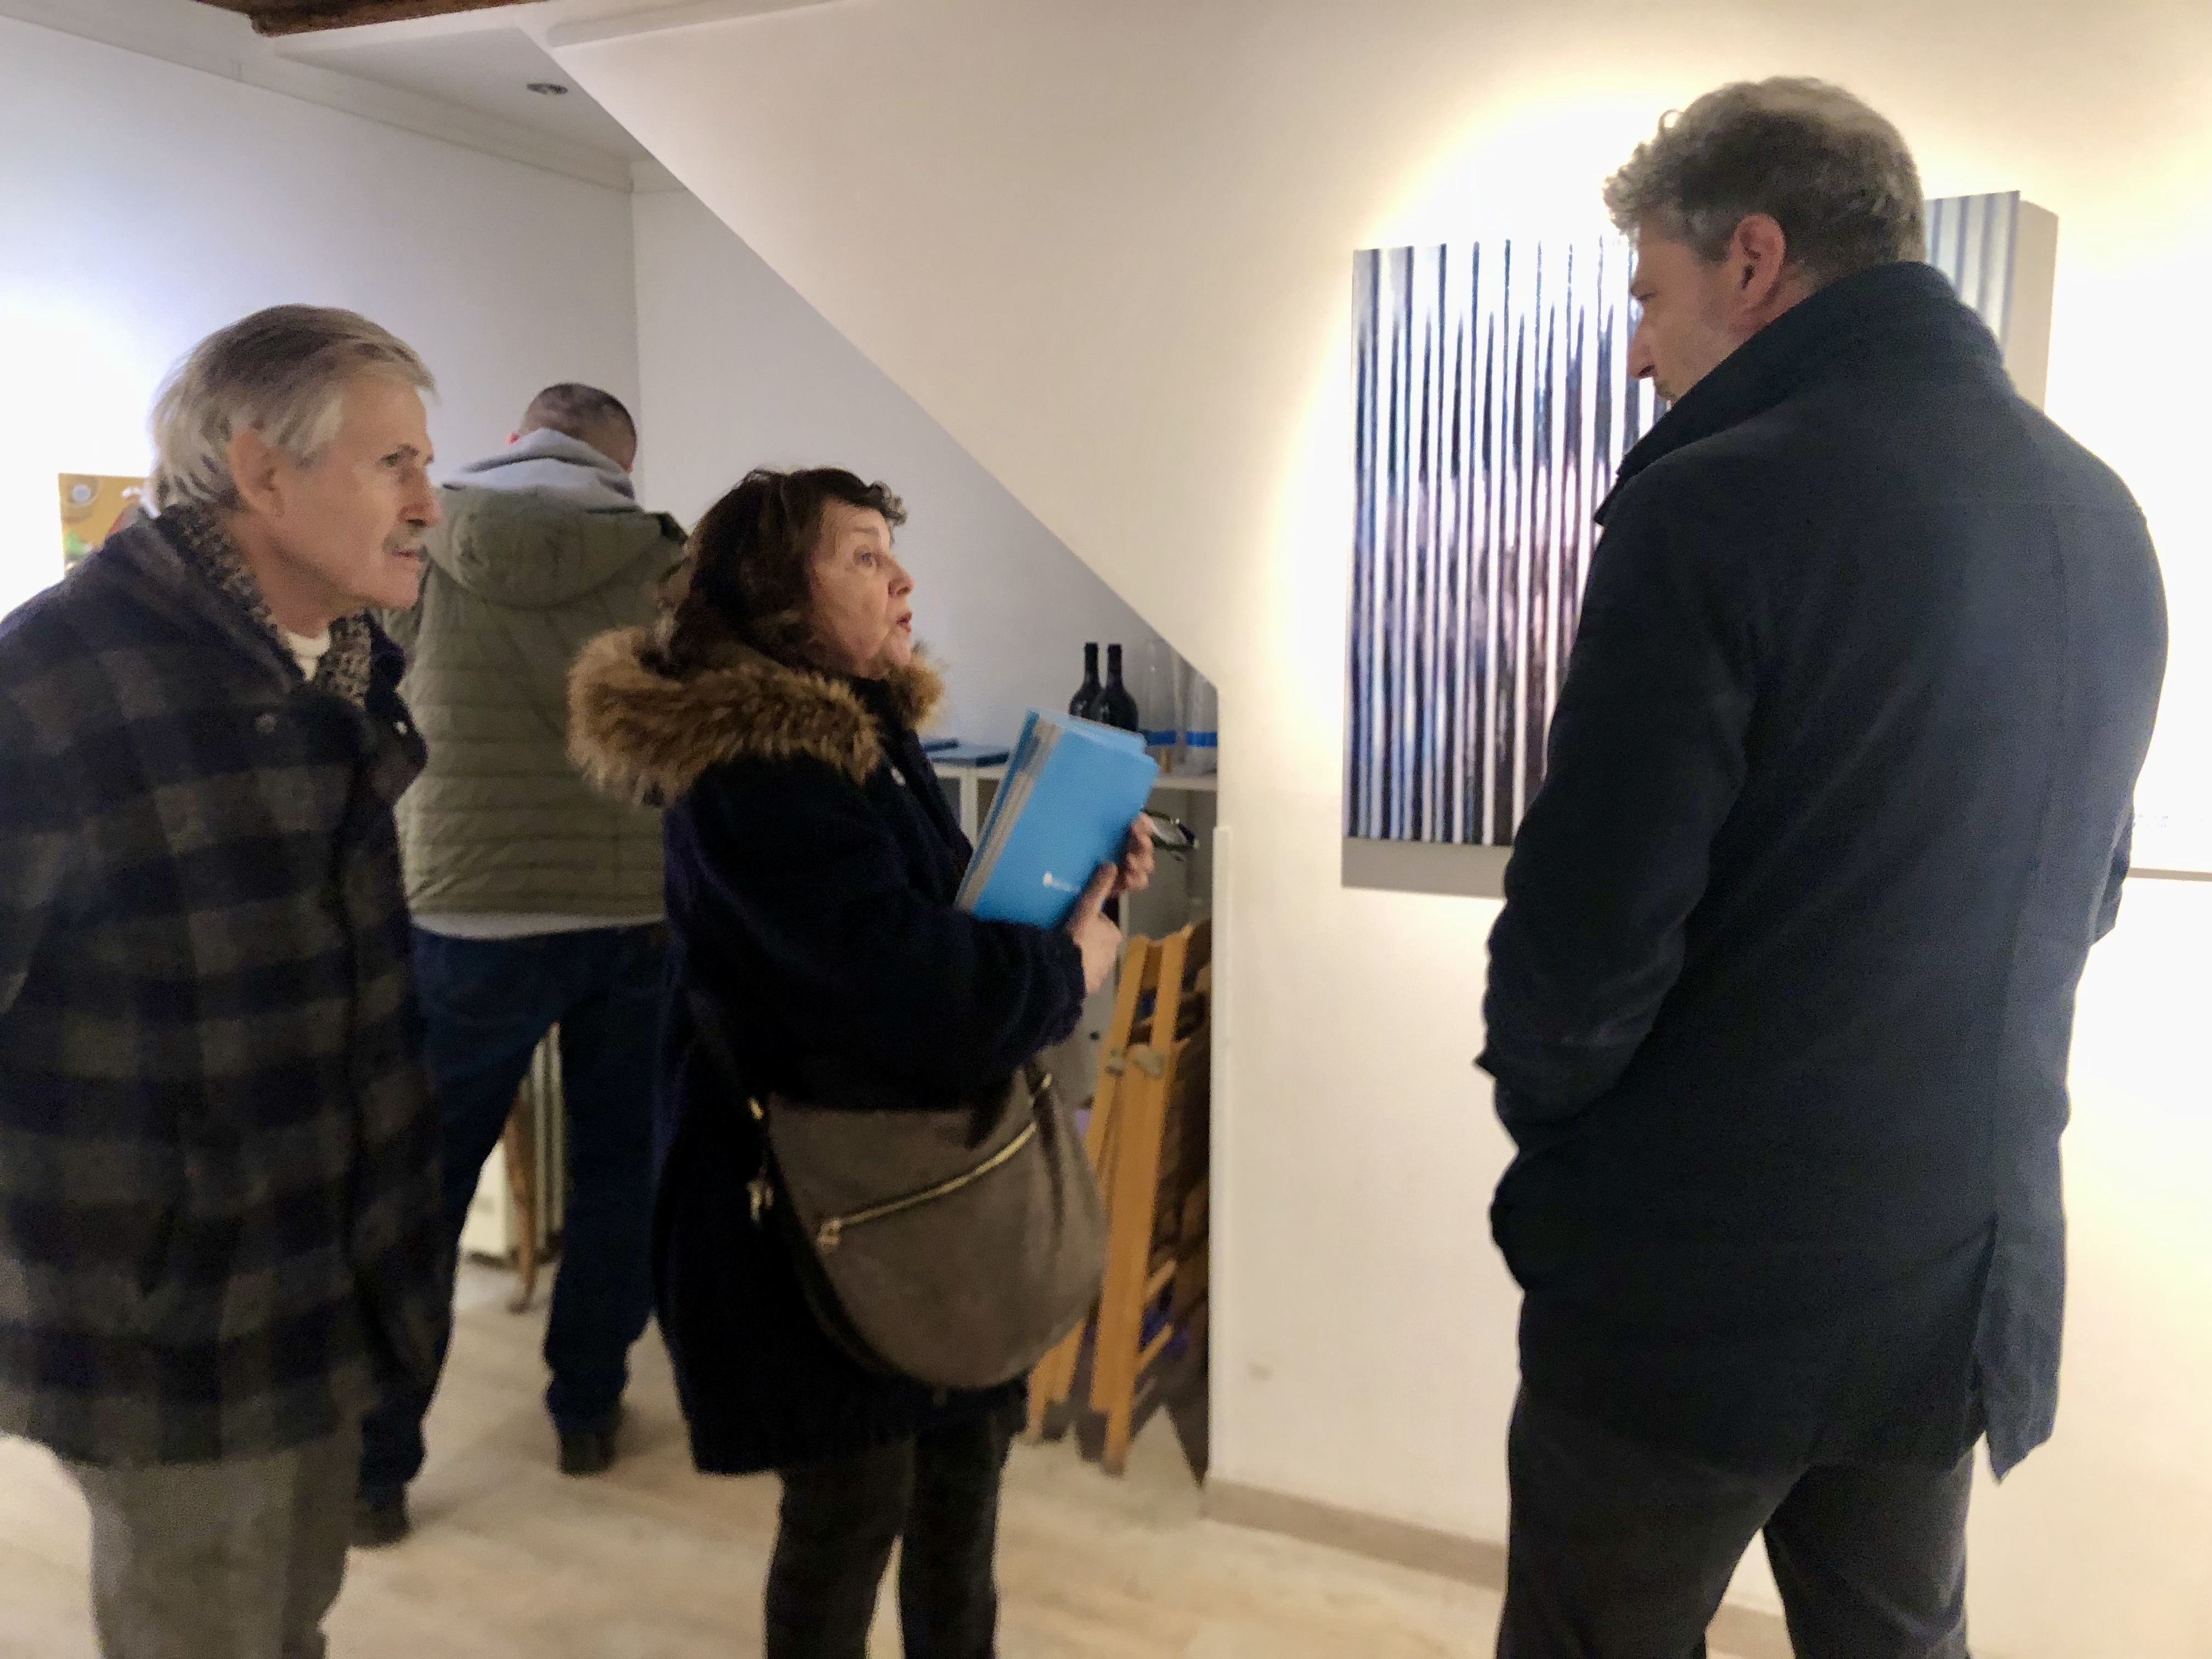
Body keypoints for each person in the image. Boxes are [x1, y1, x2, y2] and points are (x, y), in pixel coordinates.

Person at [1479, 79, 2165, 1659]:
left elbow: (1584, 953)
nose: (1638, 350)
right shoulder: (2097, 514)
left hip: (1697, 1293)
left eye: (1651, 295)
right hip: (1953, 1274)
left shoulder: (1712, 502)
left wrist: (1562, 1145)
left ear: (1755, 258)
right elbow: (2088, 897)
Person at [565, 467, 1151, 1659]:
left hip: (922, 1193)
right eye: (866, 557)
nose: (903, 581)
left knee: (957, 1495)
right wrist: (1066, 969)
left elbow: (933, 925)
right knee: (852, 1510)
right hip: (821, 1214)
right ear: (781, 594)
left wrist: (1073, 893)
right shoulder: (762, 769)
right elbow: (910, 991)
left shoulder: (859, 730)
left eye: (894, 553)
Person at [0, 306, 449, 1658]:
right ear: (263, 472)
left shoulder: (341, 670)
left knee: (293, 1612)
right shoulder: (51, 687)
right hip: (166, 1314)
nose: (429, 506)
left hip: (329, 1267)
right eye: (395, 464)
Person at [353, 384, 687, 1547]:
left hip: (462, 909)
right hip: (629, 908)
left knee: (425, 1192)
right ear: (622, 462)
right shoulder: (663, 562)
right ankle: (587, 1410)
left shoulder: (427, 539)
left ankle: (378, 1471)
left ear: (516, 439)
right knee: (617, 1173)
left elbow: (371, 683)